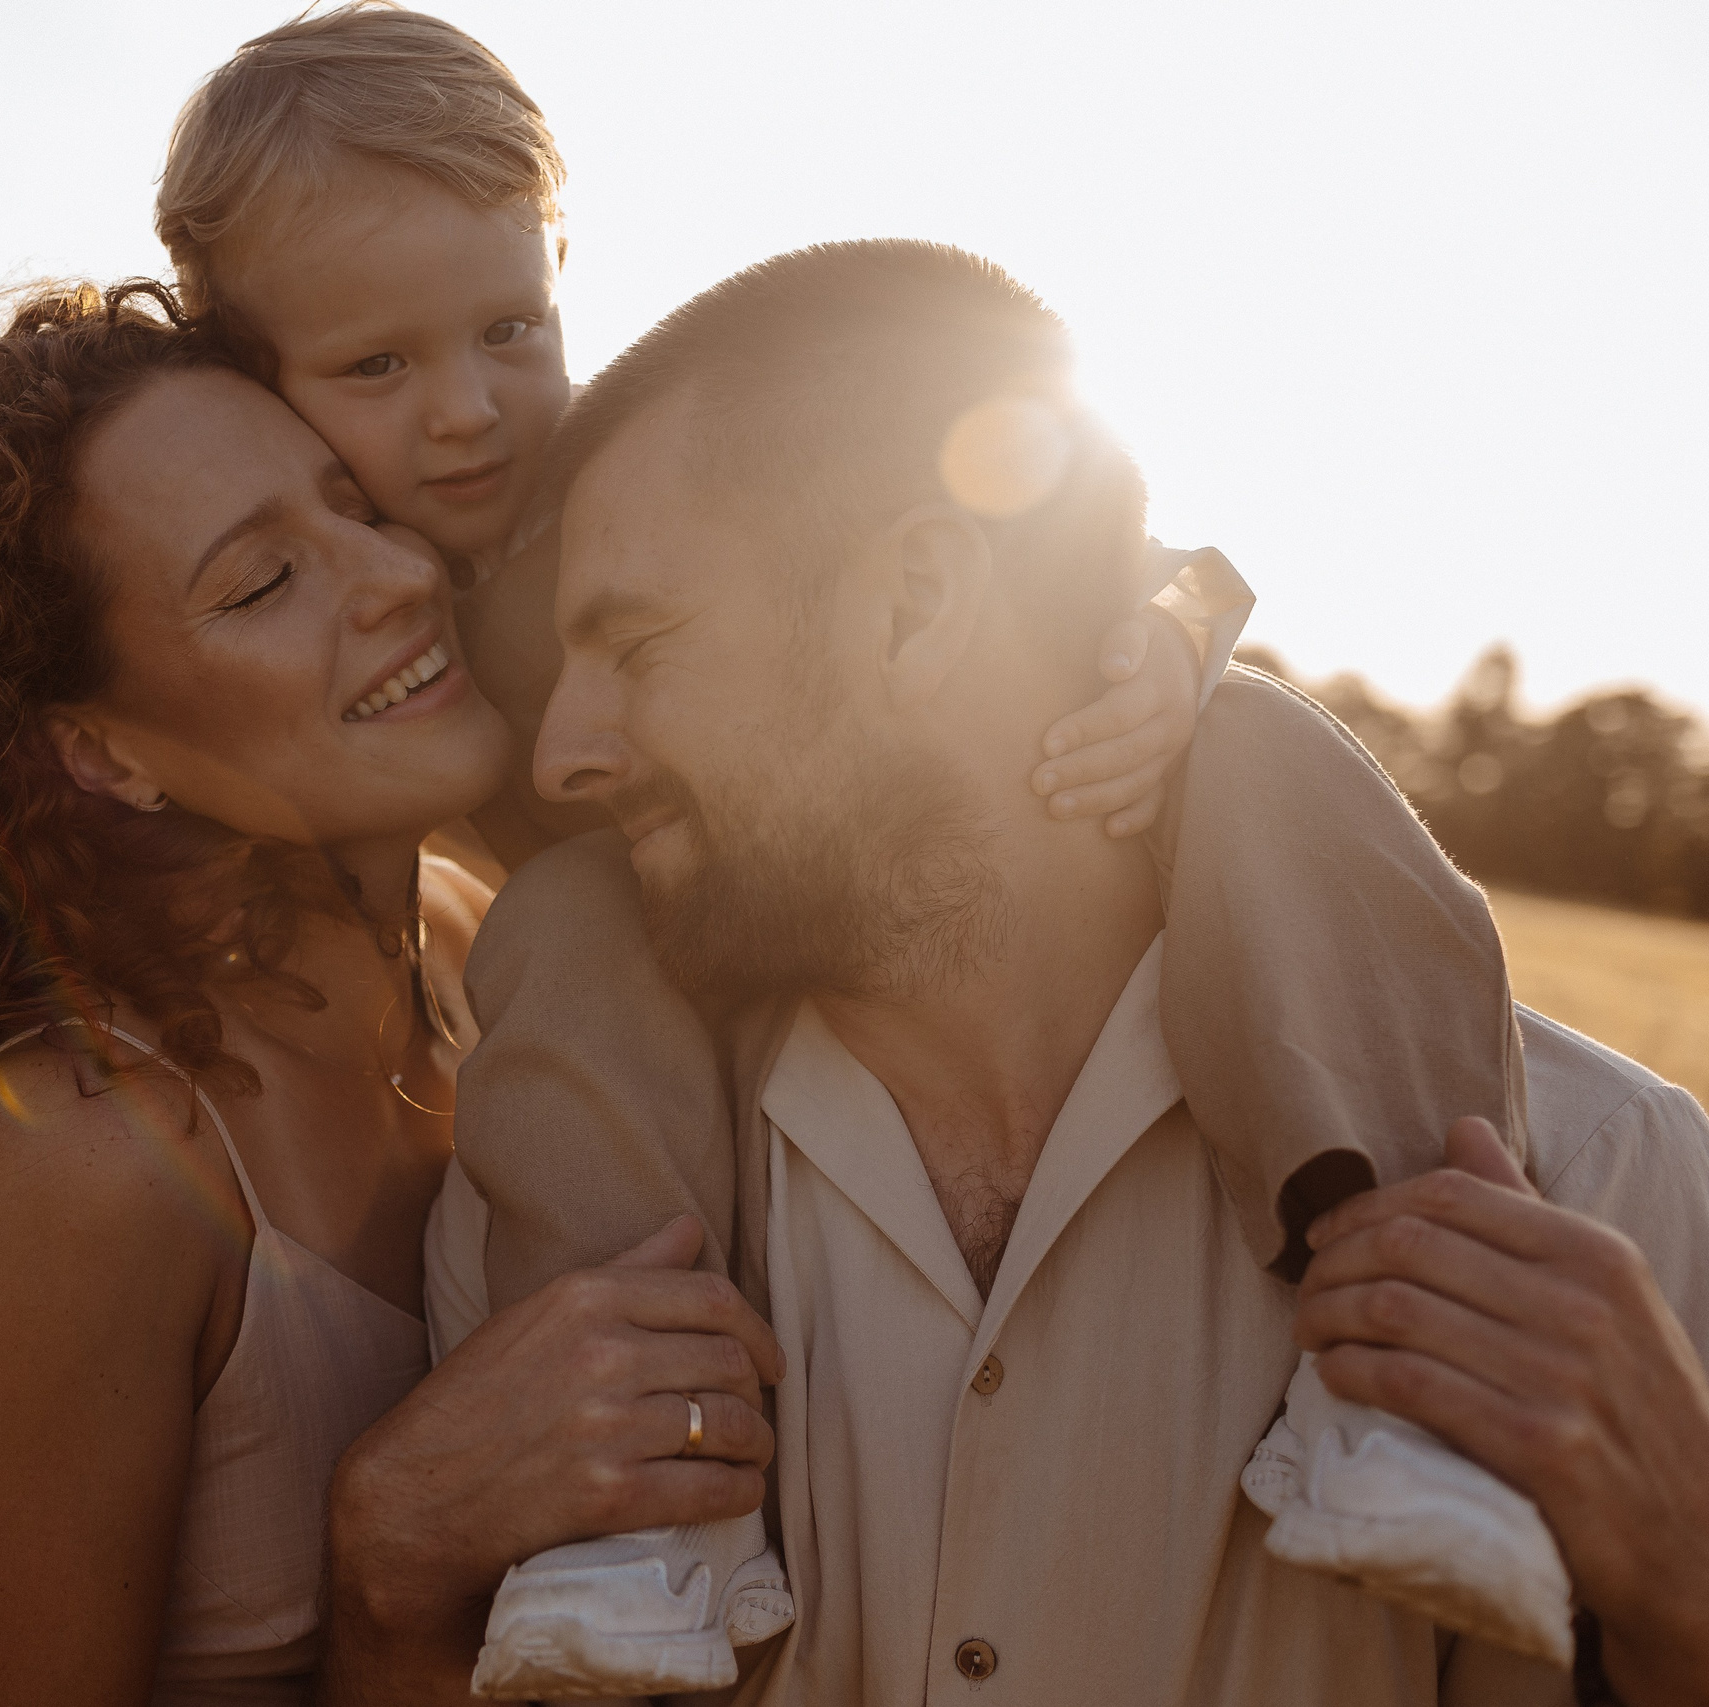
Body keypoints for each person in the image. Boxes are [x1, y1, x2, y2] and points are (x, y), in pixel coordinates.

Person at [157, 7, 1546, 1695]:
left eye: (510, 327)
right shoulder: (329, 609)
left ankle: (1392, 1323)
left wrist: (1177, 634)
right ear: (249, 374)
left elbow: (1069, 506)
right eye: (377, 368)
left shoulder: (636, 475)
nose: (468, 412)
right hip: (658, 966)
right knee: (574, 925)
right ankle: (641, 1498)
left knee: (1261, 747)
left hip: (809, 880)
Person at [398, 240, 1709, 1704]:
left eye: (635, 644)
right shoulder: (544, 1266)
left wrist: (1688, 1586)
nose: (559, 759)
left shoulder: (1605, 1191)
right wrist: (382, 1579)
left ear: (914, 605)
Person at [0, 282, 789, 1706]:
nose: (393, 578)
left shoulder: (487, 949)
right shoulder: (80, 1163)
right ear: (102, 752)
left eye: (356, 508)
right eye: (262, 584)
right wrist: (393, 1565)